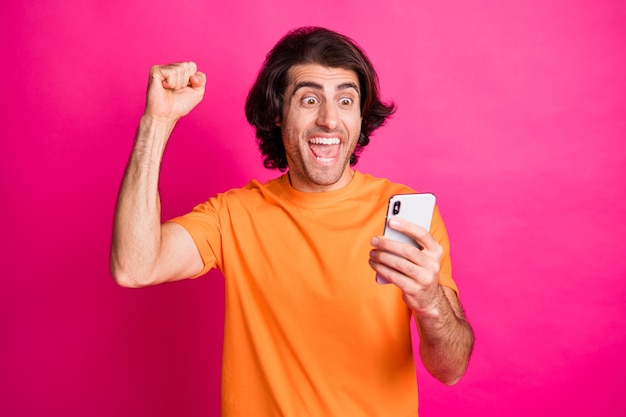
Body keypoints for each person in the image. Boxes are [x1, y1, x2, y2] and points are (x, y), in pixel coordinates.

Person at [111, 26, 474, 416]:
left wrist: (430, 301)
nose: (330, 120)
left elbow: (450, 370)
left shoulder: (404, 216)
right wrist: (157, 121)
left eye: (346, 100)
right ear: (278, 114)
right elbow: (135, 266)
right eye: (310, 99)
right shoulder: (235, 215)